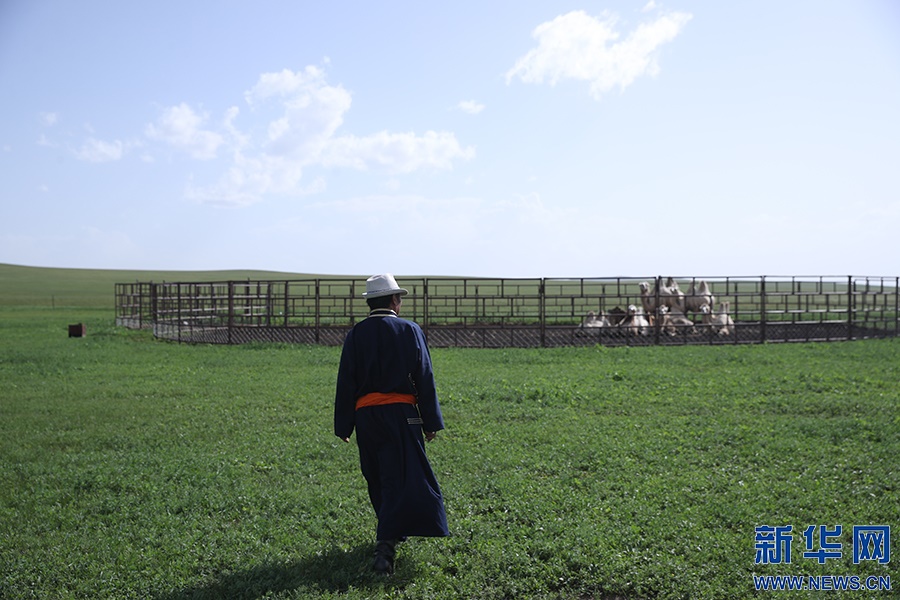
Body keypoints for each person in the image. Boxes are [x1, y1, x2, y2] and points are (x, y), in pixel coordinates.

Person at [334, 273, 450, 574]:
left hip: (366, 417)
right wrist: (430, 421)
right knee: (402, 476)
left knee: (377, 477)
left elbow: (346, 381)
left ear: (370, 302)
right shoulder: (410, 330)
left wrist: (344, 425)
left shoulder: (356, 334)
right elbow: (424, 376)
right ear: (395, 300)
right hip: (403, 415)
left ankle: (393, 530)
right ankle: (384, 549)